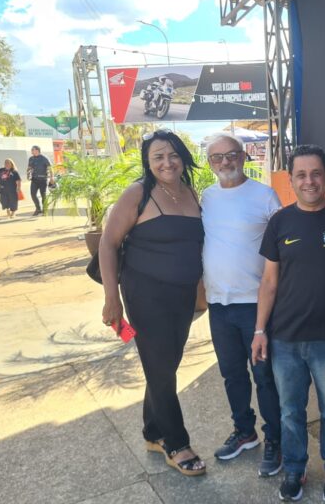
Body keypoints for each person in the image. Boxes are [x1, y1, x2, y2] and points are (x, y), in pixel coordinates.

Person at [252, 144, 325, 502]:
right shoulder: (280, 222)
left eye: (316, 173)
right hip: (285, 338)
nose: (309, 181)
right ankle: (295, 468)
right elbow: (269, 282)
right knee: (290, 412)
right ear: (291, 179)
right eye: (301, 174)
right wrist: (260, 331)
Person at [100, 130, 206, 477]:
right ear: (148, 161)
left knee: (165, 365)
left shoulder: (190, 192)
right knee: (160, 367)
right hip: (145, 294)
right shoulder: (138, 193)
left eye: (173, 155)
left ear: (183, 158)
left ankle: (152, 431)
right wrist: (112, 299)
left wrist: (201, 291)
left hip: (182, 295)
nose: (167, 162)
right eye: (158, 156)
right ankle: (176, 443)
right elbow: (107, 243)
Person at [201, 133, 283, 477]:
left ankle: (276, 438)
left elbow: (283, 246)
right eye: (217, 157)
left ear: (244, 156)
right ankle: (244, 431)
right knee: (232, 374)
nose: (225, 162)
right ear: (210, 163)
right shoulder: (206, 197)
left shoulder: (265, 195)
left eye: (231, 154)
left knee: (264, 376)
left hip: (255, 305)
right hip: (218, 304)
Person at [27, 145, 54, 216]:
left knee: (43, 195)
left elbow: (50, 168)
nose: (31, 151)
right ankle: (38, 209)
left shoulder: (44, 158)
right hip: (34, 179)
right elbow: (29, 168)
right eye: (31, 150)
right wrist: (28, 174)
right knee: (33, 194)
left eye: (32, 150)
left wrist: (51, 178)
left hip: (43, 180)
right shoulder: (31, 159)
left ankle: (45, 210)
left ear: (37, 150)